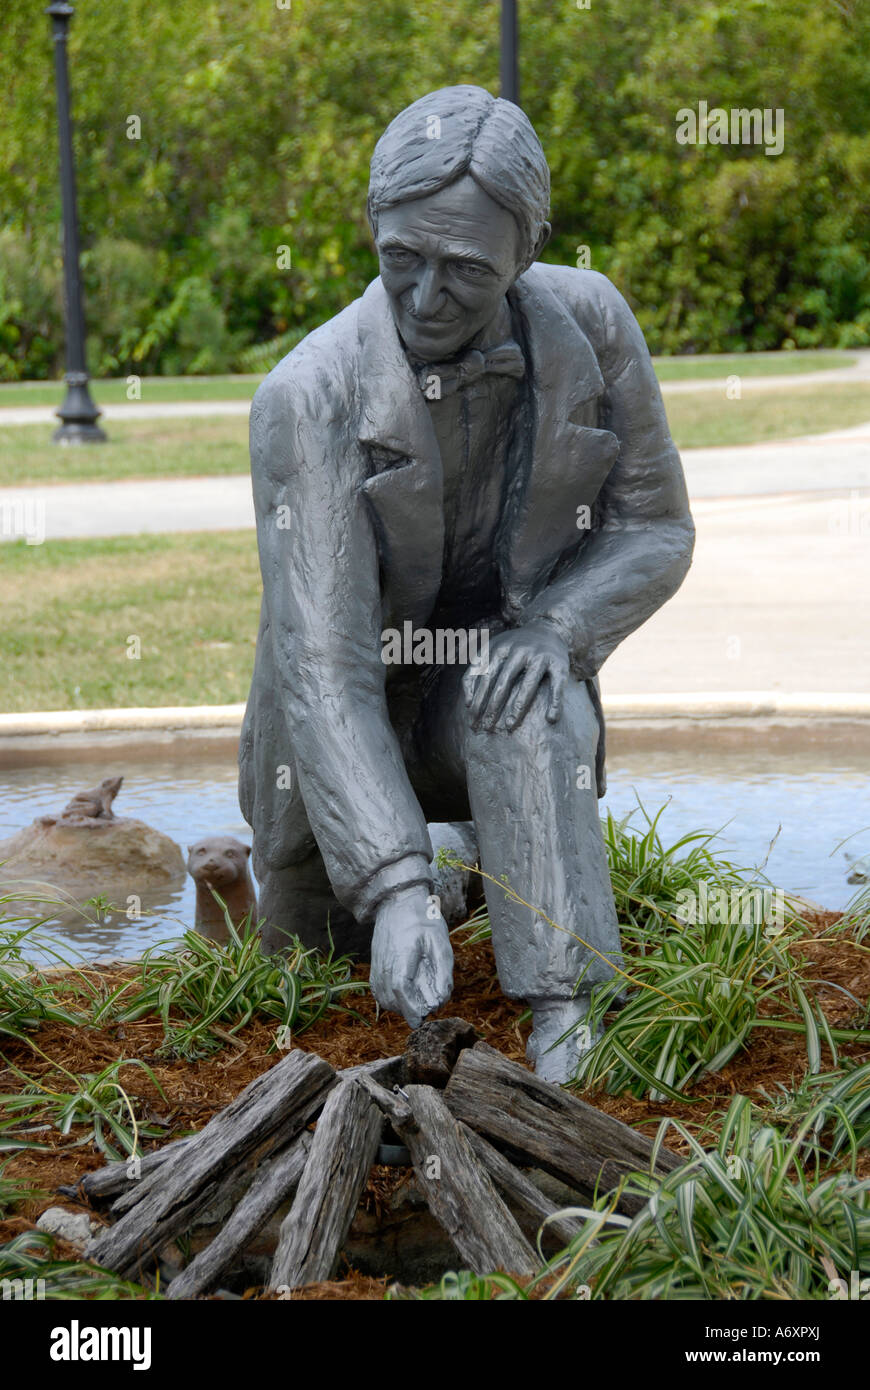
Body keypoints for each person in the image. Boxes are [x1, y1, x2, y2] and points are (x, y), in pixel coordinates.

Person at [239, 85, 694, 1081]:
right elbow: (326, 670)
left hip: (481, 687)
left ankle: (566, 1025)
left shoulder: (594, 326)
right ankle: (434, 868)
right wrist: (396, 882)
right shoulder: (306, 396)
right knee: (307, 998)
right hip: (337, 747)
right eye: (402, 257)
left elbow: (653, 527)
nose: (426, 295)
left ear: (525, 254)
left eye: (467, 270)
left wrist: (560, 631)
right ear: (372, 225)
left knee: (525, 689)